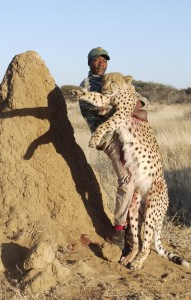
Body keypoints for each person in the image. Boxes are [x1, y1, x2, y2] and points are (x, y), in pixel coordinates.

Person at [79, 47, 148, 249]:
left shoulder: (115, 79)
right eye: (97, 60)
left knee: (142, 179)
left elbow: (142, 98)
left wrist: (137, 105)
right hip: (108, 137)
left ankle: (132, 229)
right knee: (127, 179)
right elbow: (103, 108)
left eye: (104, 60)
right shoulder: (87, 85)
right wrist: (136, 111)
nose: (101, 64)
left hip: (126, 135)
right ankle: (119, 229)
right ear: (89, 63)